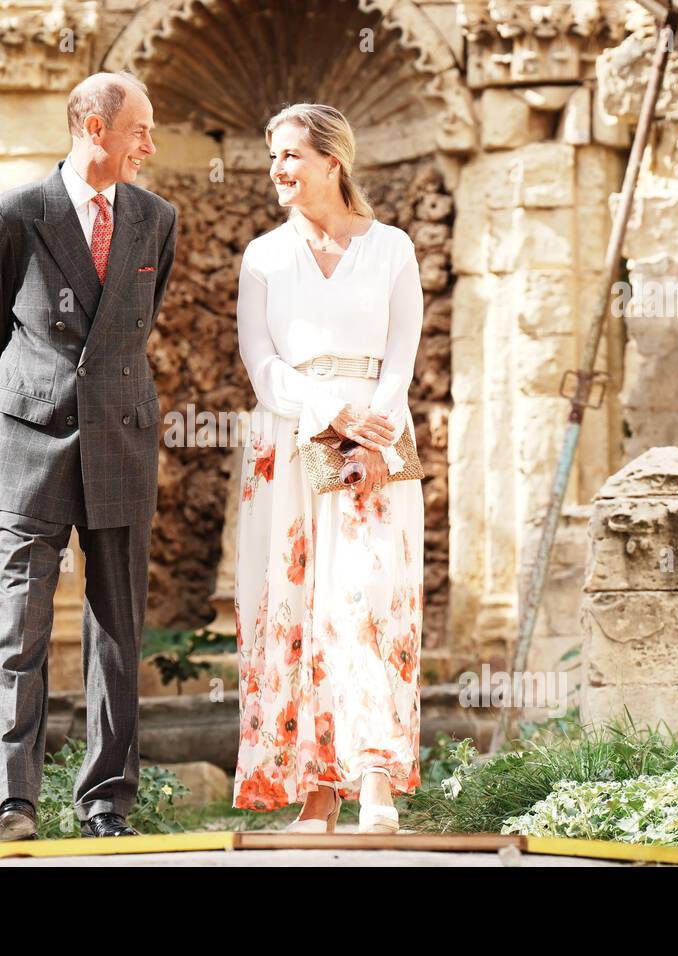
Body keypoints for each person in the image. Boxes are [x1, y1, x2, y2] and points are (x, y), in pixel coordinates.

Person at [0, 71, 177, 840]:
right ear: (94, 128)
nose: (149, 144)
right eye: (139, 130)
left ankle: (105, 805)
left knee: (117, 631)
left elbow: (131, 331)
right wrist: (25, 413)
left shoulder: (157, 220)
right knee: (19, 628)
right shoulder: (11, 215)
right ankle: (15, 802)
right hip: (29, 444)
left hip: (121, 439)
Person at [233, 103, 424, 833]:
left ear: (332, 161)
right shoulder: (264, 257)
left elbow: (401, 355)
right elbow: (260, 362)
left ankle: (374, 782)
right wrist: (328, 416)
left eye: (290, 155)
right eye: (272, 156)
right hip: (291, 438)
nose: (277, 169)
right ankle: (316, 793)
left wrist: (371, 437)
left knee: (367, 603)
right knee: (293, 606)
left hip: (379, 437)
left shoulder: (392, 248)